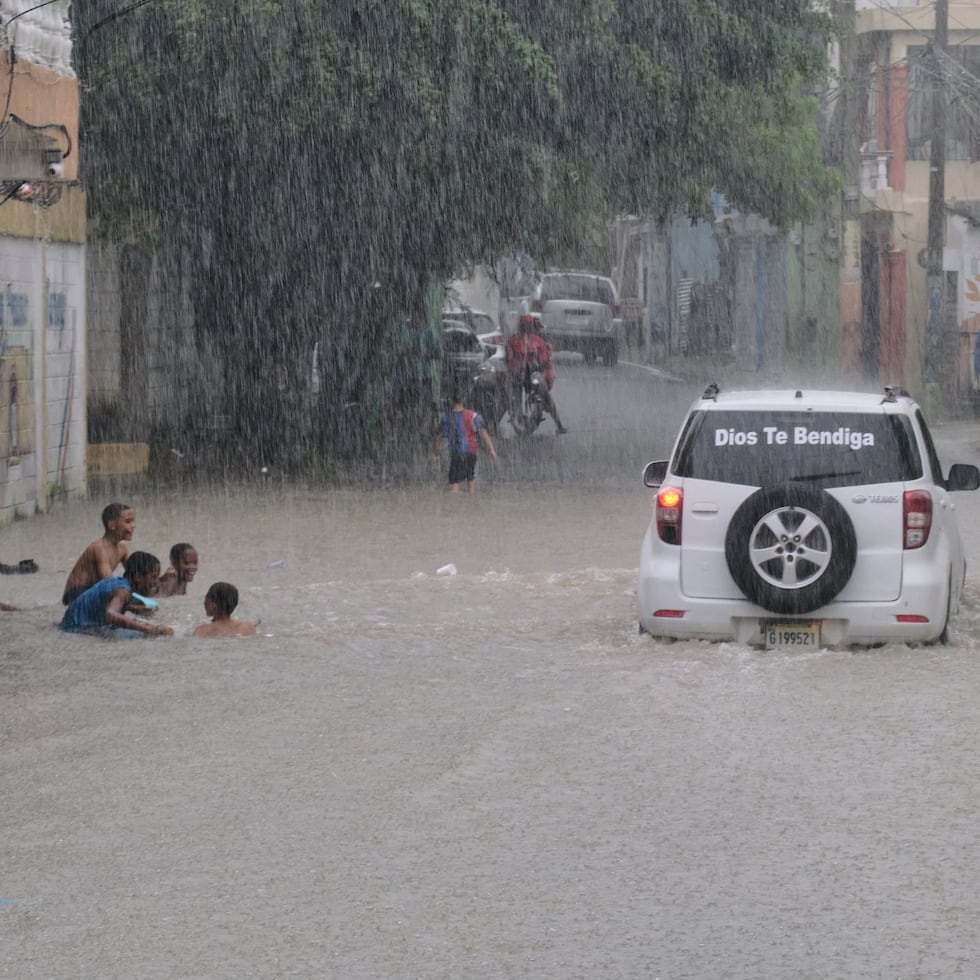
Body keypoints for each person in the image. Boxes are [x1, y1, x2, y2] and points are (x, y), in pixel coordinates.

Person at [59, 551, 174, 638]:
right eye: (153, 577)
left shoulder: (118, 582)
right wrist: (149, 629)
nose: (155, 583)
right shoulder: (123, 591)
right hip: (77, 629)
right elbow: (110, 614)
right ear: (138, 577)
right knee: (143, 636)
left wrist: (131, 608)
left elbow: (105, 603)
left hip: (69, 623)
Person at [61, 502, 135, 605]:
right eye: (128, 522)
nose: (133, 526)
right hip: (75, 593)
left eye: (133, 521)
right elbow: (109, 583)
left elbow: (136, 574)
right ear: (112, 525)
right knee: (119, 598)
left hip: (92, 590)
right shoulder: (99, 548)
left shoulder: (122, 549)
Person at [505, 314, 568, 434]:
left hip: (534, 374)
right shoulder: (513, 340)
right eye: (525, 325)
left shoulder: (537, 341)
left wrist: (542, 364)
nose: (527, 327)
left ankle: (559, 424)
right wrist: (514, 364)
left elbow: (544, 359)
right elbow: (509, 358)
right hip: (517, 374)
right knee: (510, 397)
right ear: (521, 326)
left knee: (546, 396)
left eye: (529, 325)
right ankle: (494, 423)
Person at [433, 390, 498, 493]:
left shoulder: (446, 417)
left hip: (456, 453)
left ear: (451, 402)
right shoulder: (473, 415)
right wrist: (492, 449)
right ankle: (472, 503)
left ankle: (455, 505)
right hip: (471, 452)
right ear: (463, 401)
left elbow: (438, 438)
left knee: (455, 482)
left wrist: (436, 454)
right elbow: (483, 432)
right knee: (471, 477)